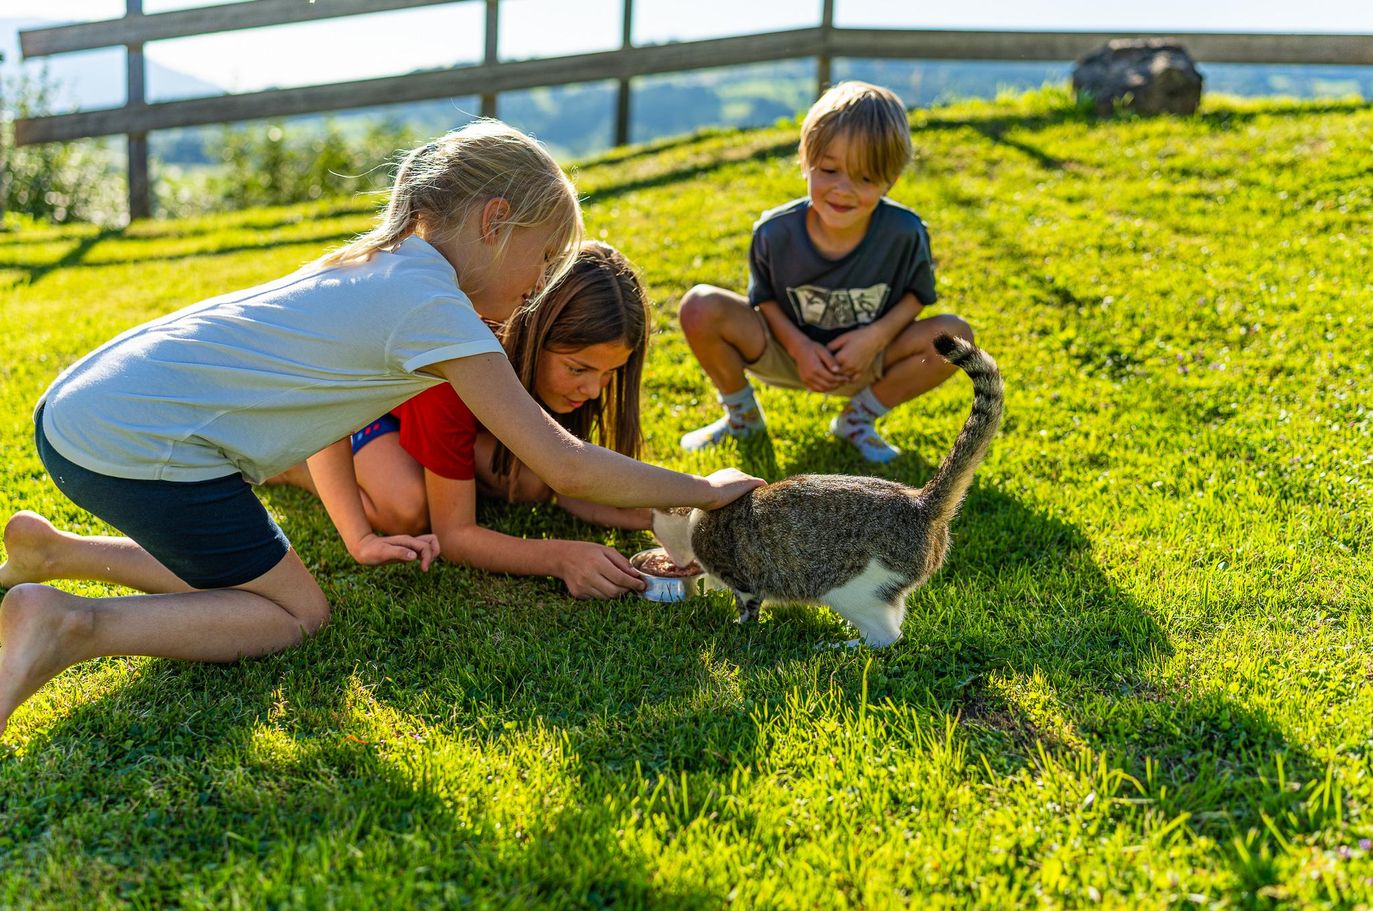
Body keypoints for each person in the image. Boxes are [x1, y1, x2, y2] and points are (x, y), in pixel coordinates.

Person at [0, 121, 762, 739]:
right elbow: (561, 464)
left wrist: (659, 514)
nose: (537, 286)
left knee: (257, 575)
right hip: (141, 443)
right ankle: (69, 622)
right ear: (495, 222)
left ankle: (52, 552)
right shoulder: (432, 307)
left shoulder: (384, 266)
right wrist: (705, 491)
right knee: (297, 613)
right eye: (541, 259)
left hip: (86, 417)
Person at [272, 240, 656, 600]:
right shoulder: (456, 364)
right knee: (408, 509)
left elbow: (573, 485)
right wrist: (562, 558)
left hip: (441, 423)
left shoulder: (567, 377)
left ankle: (445, 465)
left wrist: (658, 513)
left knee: (532, 482)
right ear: (534, 336)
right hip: (371, 417)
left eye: (609, 375)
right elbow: (454, 537)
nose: (593, 390)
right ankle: (296, 465)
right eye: (578, 370)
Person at [677, 80, 973, 464]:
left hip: (868, 359)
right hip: (785, 351)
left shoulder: (905, 232)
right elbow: (763, 298)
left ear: (892, 179)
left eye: (865, 178)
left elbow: (917, 295)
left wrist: (874, 338)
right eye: (830, 170)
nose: (843, 189)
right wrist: (799, 348)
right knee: (699, 305)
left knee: (955, 336)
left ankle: (857, 420)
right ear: (805, 161)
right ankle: (743, 418)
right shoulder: (773, 231)